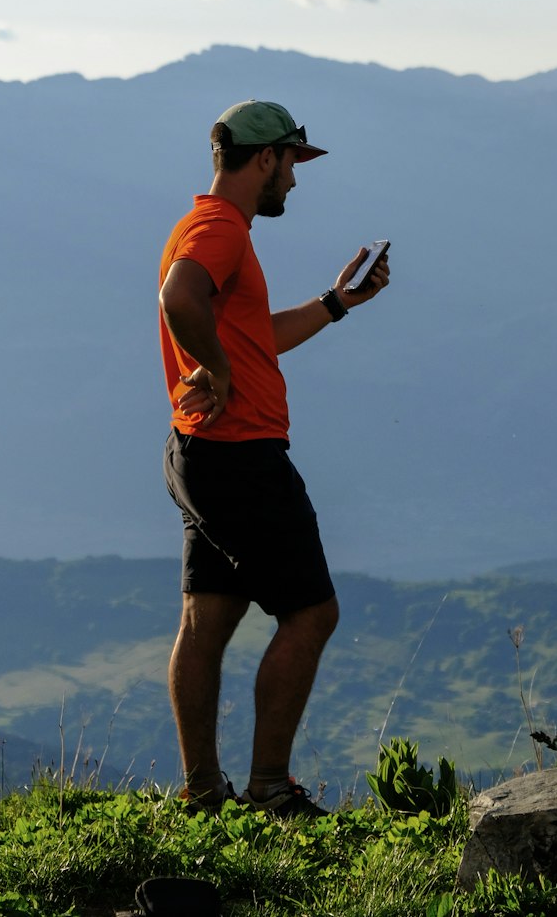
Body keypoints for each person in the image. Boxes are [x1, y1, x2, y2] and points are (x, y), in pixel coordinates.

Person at [158, 98, 390, 816]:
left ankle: (202, 793)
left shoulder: (210, 225)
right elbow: (179, 298)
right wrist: (220, 374)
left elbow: (252, 336)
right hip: (241, 456)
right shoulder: (221, 229)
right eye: (292, 165)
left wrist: (335, 303)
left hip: (200, 454)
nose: (294, 181)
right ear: (266, 159)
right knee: (312, 614)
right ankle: (268, 790)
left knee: (208, 621)